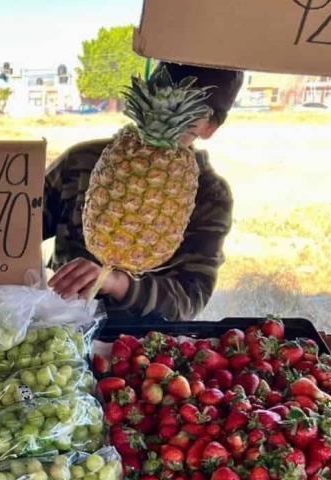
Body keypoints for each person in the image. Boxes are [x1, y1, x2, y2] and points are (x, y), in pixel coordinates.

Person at [44, 62, 244, 321]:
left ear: (210, 127)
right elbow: (15, 229)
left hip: (141, 342)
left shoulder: (210, 194)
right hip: (59, 321)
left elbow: (189, 299)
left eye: (191, 108)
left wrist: (117, 283)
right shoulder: (82, 161)